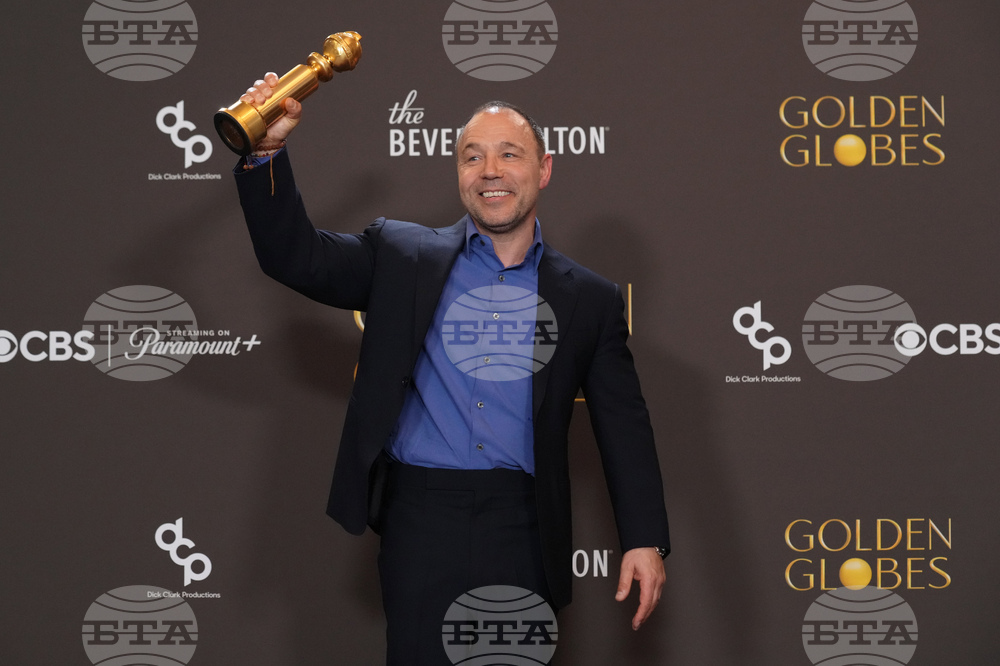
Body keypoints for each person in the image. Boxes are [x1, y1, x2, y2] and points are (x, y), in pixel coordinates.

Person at [232, 72, 670, 664]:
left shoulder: (588, 298)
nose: (489, 170)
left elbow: (624, 423)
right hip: (421, 519)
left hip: (523, 526)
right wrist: (266, 151)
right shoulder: (401, 255)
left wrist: (643, 538)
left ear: (543, 170)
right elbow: (296, 257)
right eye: (472, 157)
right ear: (459, 174)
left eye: (508, 154)